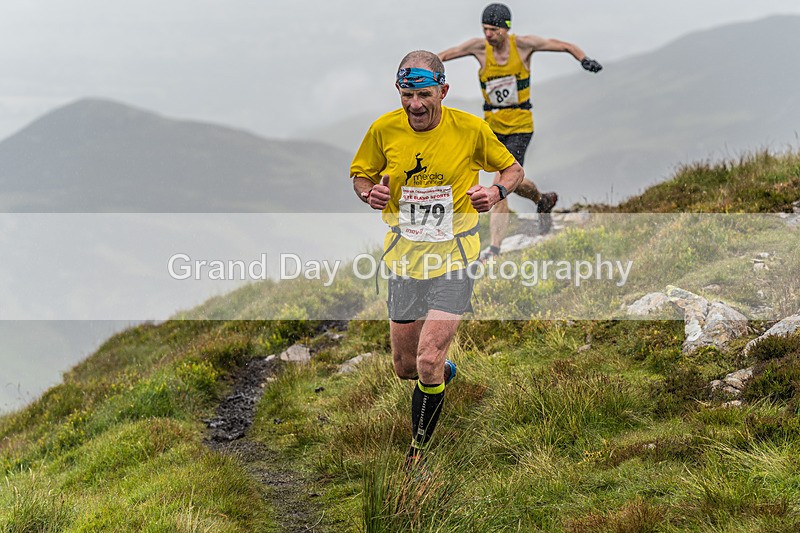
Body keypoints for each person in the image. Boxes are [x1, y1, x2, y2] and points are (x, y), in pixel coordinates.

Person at [350, 50, 524, 467]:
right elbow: (361, 174)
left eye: (425, 94)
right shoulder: (383, 130)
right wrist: (367, 193)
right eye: (407, 95)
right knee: (406, 367)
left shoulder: (469, 129)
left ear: (443, 91)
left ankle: (419, 451)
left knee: (427, 359)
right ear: (399, 90)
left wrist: (496, 193)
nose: (415, 105)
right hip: (404, 261)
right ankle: (442, 375)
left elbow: (512, 169)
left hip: (455, 258)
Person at [438, 2, 602, 258]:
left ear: (506, 28)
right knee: (514, 180)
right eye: (484, 29)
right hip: (492, 128)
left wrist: (584, 59)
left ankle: (494, 248)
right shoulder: (479, 48)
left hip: (520, 127)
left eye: (493, 30)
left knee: (500, 184)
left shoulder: (523, 45)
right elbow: (443, 56)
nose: (488, 35)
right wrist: (420, 72)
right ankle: (542, 200)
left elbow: (564, 45)